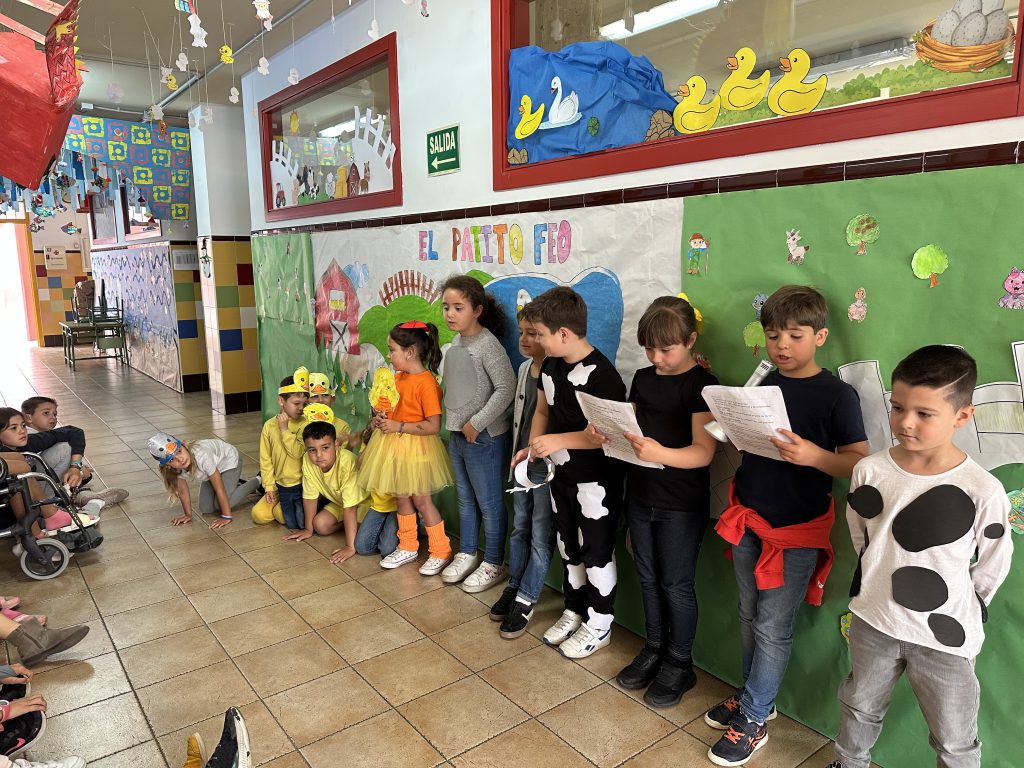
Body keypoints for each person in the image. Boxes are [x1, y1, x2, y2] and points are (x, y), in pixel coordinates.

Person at [704, 285, 869, 767]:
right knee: (748, 615)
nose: (782, 345)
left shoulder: (837, 394)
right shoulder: (761, 382)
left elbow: (858, 462)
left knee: (773, 626)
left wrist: (814, 456)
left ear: (820, 336)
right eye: (773, 335)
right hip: (748, 517)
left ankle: (754, 717)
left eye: (795, 336)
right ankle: (757, 697)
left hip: (796, 530)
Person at [827, 345, 1011, 768]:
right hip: (874, 620)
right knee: (859, 706)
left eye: (924, 413)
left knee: (954, 736)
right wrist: (876, 580)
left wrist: (967, 604)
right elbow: (861, 535)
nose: (905, 422)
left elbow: (994, 561)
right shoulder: (870, 470)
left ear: (962, 415)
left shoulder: (982, 489)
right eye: (898, 407)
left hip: (945, 636)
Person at [609, 295, 718, 707]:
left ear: (690, 340)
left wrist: (660, 453)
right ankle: (654, 648)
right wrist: (610, 431)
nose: (657, 357)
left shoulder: (702, 385)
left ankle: (679, 662)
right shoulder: (643, 378)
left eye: (666, 349)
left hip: (680, 505)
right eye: (649, 348)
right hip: (640, 495)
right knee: (649, 579)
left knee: (676, 585)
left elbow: (703, 453)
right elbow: (632, 429)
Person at [511, 286, 627, 659]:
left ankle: (600, 622)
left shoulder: (603, 376)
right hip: (559, 477)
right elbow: (542, 411)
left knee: (596, 551)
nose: (535, 341)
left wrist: (556, 440)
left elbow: (605, 437)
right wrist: (534, 447)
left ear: (563, 333)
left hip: (596, 483)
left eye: (540, 334)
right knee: (568, 546)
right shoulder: (550, 365)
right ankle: (574, 609)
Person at [357, 321, 454, 576]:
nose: (389, 356)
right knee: (401, 496)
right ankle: (408, 545)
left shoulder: (426, 383)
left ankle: (440, 549)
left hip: (418, 448)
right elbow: (392, 409)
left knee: (421, 500)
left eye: (392, 350)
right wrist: (381, 417)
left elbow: (433, 426)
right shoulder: (396, 379)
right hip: (393, 446)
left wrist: (398, 425)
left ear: (410, 352)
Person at [438, 276, 516, 592]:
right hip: (458, 436)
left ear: (477, 310)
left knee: (489, 502)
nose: (450, 314)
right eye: (446, 307)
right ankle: (468, 552)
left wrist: (478, 422)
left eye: (458, 307)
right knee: (465, 499)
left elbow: (506, 388)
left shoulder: (488, 345)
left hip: (484, 438)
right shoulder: (456, 343)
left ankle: (494, 562)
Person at [489, 302, 554, 639]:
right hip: (521, 464)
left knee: (541, 534)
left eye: (533, 333)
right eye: (522, 333)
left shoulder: (556, 373)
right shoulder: (525, 368)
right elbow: (520, 419)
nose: (525, 340)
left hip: (546, 469)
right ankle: (514, 585)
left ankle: (527, 597)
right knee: (520, 527)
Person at [290, 407, 364, 564]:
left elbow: (351, 507)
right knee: (320, 526)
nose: (319, 455)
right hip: (341, 503)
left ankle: (354, 528)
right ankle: (348, 525)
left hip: (363, 503)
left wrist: (349, 546)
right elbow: (309, 497)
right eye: (312, 450)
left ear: (336, 444)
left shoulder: (347, 462)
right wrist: (308, 529)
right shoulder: (308, 461)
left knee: (363, 539)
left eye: (325, 448)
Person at [149, 433, 261, 530]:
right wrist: (188, 515)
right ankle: (236, 482)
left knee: (221, 504)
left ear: (184, 445)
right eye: (172, 459)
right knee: (206, 508)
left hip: (229, 461)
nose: (180, 459)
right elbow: (182, 492)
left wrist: (226, 517)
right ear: (167, 465)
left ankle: (259, 480)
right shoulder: (173, 470)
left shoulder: (202, 455)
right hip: (210, 471)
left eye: (179, 451)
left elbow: (219, 489)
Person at [251, 369, 309, 530]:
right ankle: (270, 495)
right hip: (279, 486)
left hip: (300, 486)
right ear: (281, 401)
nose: (301, 408)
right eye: (296, 403)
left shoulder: (306, 424)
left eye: (304, 404)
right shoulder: (269, 426)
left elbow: (297, 452)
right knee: (258, 515)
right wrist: (269, 487)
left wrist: (285, 430)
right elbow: (266, 459)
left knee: (281, 515)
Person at [20, 397, 92, 489]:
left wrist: (78, 467)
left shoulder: (44, 435)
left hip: (36, 481)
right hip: (33, 486)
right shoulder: (27, 435)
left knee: (70, 446)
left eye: (55, 414)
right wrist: (79, 469)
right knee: (64, 447)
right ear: (28, 418)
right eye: (46, 413)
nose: (53, 417)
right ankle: (53, 495)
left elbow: (75, 434)